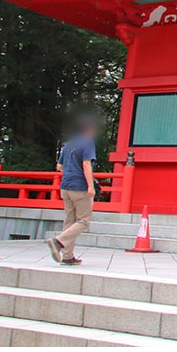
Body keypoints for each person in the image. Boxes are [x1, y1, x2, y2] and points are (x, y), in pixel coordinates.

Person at [46, 114, 98, 266]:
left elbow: (59, 166)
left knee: (70, 220)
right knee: (84, 221)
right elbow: (86, 164)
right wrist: (90, 186)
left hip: (66, 187)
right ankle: (58, 242)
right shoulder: (87, 142)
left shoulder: (68, 144)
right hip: (79, 187)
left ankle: (67, 257)